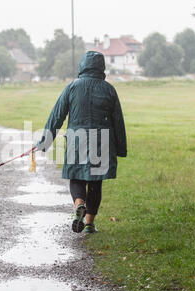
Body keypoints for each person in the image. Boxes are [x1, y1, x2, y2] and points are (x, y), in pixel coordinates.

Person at [36, 51, 127, 234]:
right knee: (95, 182)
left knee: (76, 177)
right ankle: (89, 225)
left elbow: (57, 116)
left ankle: (79, 203)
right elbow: (118, 120)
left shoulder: (72, 87)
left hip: (77, 140)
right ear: (101, 67)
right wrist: (121, 148)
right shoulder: (109, 89)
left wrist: (45, 141)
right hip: (101, 141)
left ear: (82, 66)